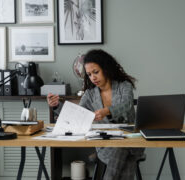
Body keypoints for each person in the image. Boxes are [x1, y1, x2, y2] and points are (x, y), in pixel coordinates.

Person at [47, 49, 144, 180]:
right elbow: (77, 115)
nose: (93, 77)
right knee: (123, 153)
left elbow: (127, 105)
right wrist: (56, 105)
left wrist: (107, 111)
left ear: (106, 68)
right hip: (106, 144)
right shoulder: (90, 94)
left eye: (96, 72)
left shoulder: (124, 86)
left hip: (132, 141)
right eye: (89, 74)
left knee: (122, 147)